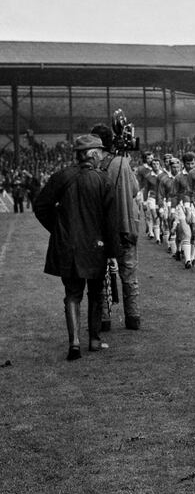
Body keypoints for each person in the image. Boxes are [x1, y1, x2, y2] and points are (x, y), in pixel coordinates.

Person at [33, 135, 114, 360]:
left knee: (72, 294)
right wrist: (113, 251)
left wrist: (59, 229)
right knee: (96, 293)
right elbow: (110, 220)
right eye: (101, 153)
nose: (103, 157)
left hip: (67, 246)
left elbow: (40, 206)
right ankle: (95, 340)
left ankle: (75, 343)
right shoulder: (103, 180)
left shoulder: (61, 177)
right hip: (95, 247)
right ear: (94, 154)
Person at [91, 123, 142, 331]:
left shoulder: (93, 164)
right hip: (125, 226)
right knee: (129, 275)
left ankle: (104, 319)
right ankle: (133, 318)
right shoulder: (121, 162)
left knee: (101, 275)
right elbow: (134, 189)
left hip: (101, 230)